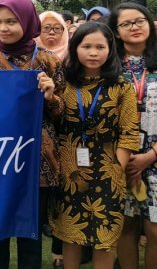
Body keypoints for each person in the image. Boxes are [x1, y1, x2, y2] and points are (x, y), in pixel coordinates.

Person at [0, 0, 64, 269]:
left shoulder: (49, 61)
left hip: (37, 161)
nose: (3, 28)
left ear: (27, 20)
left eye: (11, 21)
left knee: (30, 235)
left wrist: (51, 97)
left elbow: (64, 114)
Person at [50, 21, 139, 269]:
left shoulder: (121, 87)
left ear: (110, 50)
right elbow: (52, 119)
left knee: (104, 239)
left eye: (100, 47)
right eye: (86, 46)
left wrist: (116, 169)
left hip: (108, 172)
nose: (93, 52)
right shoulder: (62, 83)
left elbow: (129, 132)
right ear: (75, 47)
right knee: (70, 235)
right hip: (68, 171)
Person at [109, 3, 157, 269]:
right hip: (121, 159)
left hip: (155, 157)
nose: (135, 27)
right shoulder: (108, 69)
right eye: (126, 24)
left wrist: (150, 155)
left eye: (140, 21)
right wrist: (126, 159)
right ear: (116, 32)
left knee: (154, 231)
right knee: (125, 227)